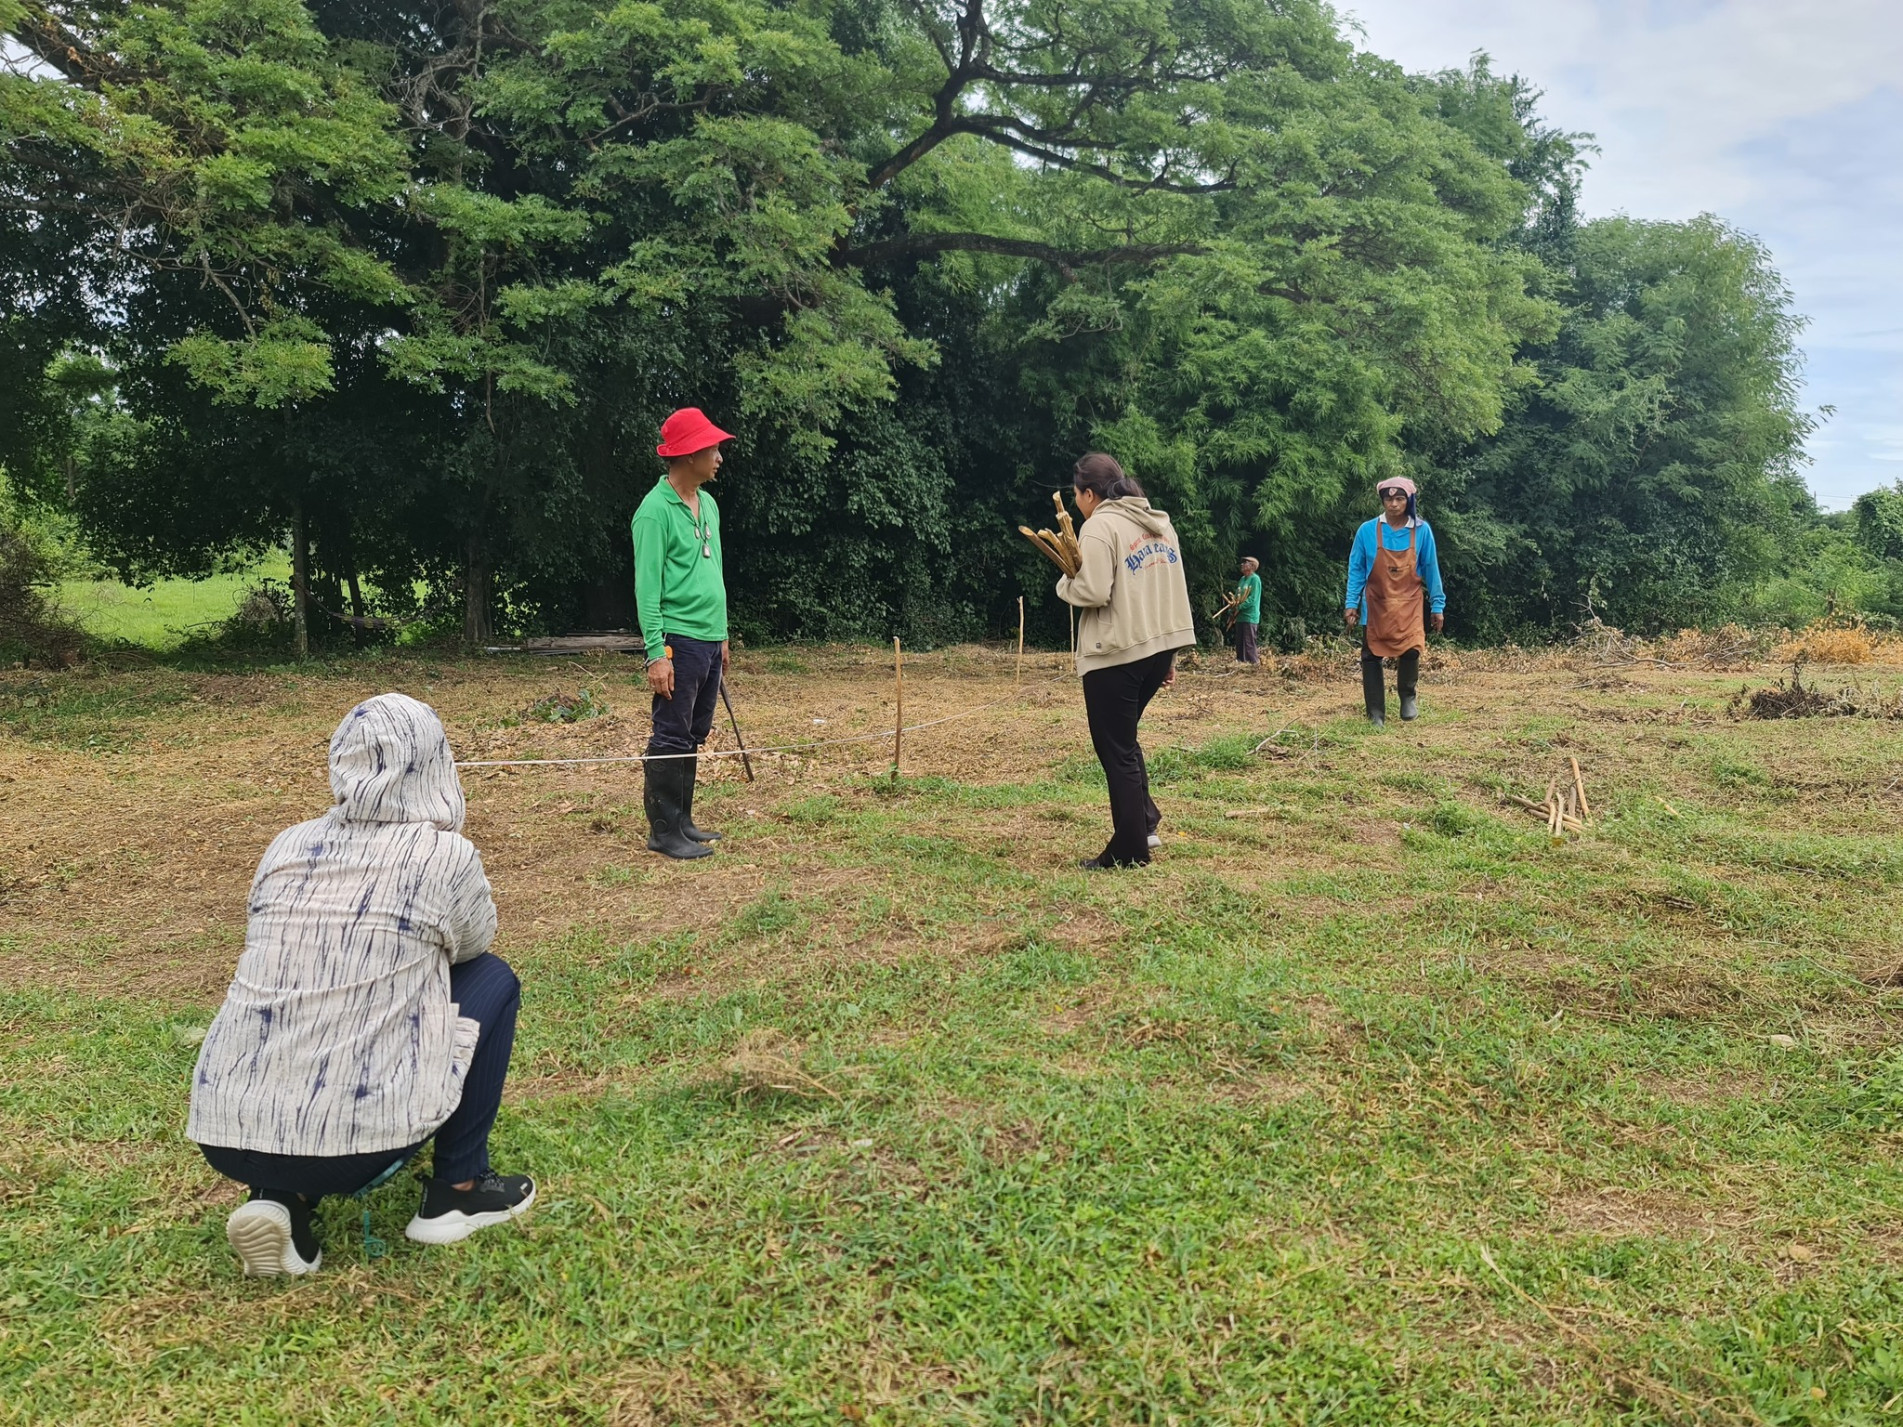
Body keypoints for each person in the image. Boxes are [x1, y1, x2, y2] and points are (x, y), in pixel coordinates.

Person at [188, 693, 534, 1277]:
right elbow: (473, 944)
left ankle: (278, 1200)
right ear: (435, 762)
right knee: (492, 977)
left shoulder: (286, 845)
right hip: (359, 1146)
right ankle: (459, 1188)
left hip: (225, 1136)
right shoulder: (442, 855)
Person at [1056, 453, 1196, 868]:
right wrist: (1168, 654)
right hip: (1157, 648)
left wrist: (1065, 584)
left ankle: (1129, 849)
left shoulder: (1099, 525)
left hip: (1117, 653)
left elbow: (1094, 591)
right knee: (1125, 741)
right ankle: (1145, 821)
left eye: (1077, 493)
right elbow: (1168, 587)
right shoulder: (1159, 522)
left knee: (1115, 748)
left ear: (1088, 493)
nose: (1077, 502)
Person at [633, 407, 735, 860]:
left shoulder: (708, 504)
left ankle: (684, 821)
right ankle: (663, 831)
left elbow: (715, 572)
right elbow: (646, 588)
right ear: (689, 454)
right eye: (712, 448)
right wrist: (657, 653)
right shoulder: (653, 513)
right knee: (671, 733)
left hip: (709, 639)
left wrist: (723, 635)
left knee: (694, 730)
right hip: (679, 638)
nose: (719, 457)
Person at [1343, 476, 1446, 726]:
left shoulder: (1421, 530)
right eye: (1388, 499)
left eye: (1399, 498)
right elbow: (1356, 569)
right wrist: (1351, 603)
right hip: (1375, 605)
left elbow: (1431, 568)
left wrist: (1437, 605)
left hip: (1408, 604)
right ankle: (1375, 712)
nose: (1393, 504)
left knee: (1411, 649)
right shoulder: (1367, 530)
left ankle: (1407, 696)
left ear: (1408, 501)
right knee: (1370, 656)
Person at [1232, 556, 1263, 665]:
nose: (1242, 564)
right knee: (1240, 641)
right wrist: (1234, 603)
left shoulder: (1255, 579)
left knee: (1248, 642)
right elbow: (1237, 595)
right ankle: (1241, 662)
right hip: (1240, 615)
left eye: (1245, 562)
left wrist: (1240, 606)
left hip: (1250, 615)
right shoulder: (1242, 579)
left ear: (1252, 566)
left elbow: (1252, 599)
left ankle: (1253, 664)